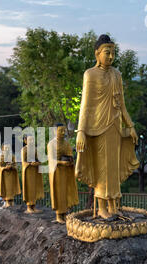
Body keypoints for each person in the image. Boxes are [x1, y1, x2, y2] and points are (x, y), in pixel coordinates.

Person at [75, 34, 139, 219]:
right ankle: (101, 206)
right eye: (107, 52)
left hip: (115, 126)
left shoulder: (117, 74)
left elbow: (122, 105)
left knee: (113, 166)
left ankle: (113, 205)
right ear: (97, 54)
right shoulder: (90, 74)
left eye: (113, 53)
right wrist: (81, 132)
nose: (111, 57)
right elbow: (85, 105)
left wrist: (131, 125)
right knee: (102, 167)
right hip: (97, 127)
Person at [47, 124, 79, 224]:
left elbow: (69, 155)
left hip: (65, 172)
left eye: (64, 130)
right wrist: (61, 162)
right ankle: (58, 215)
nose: (63, 132)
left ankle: (65, 214)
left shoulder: (66, 144)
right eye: (60, 130)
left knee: (66, 192)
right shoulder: (51, 144)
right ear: (54, 131)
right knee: (58, 193)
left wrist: (70, 161)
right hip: (56, 172)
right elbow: (51, 160)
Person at [22, 136, 44, 214]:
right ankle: (29, 206)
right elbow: (23, 162)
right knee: (29, 188)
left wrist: (37, 163)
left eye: (32, 140)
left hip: (35, 172)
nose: (31, 141)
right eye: (29, 140)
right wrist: (30, 163)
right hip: (28, 172)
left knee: (34, 188)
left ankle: (34, 206)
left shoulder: (35, 149)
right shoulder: (24, 149)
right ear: (25, 141)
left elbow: (39, 159)